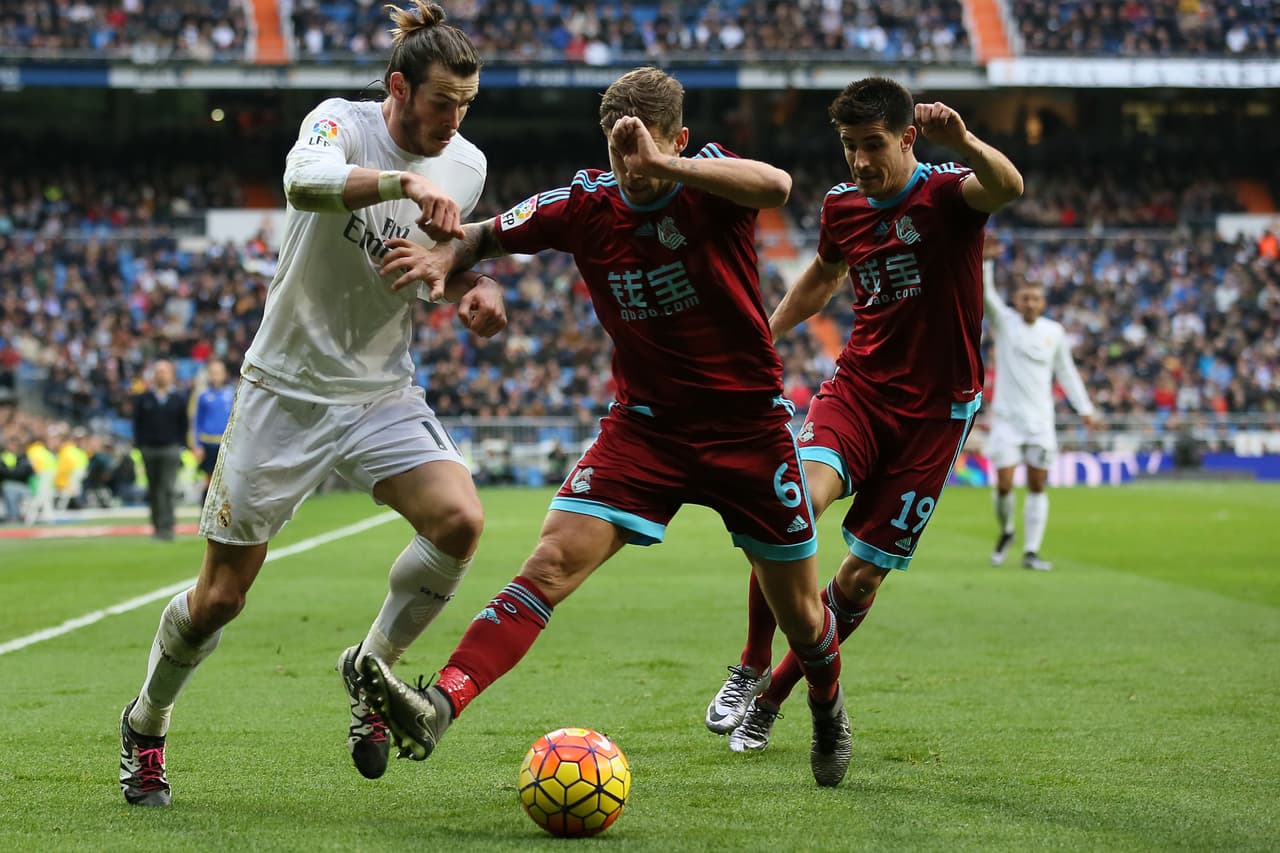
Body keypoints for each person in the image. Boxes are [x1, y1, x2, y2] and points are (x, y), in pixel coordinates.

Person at [356, 66, 851, 787]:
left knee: (803, 619)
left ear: (680, 139)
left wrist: (664, 165)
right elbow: (486, 234)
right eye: (620, 151)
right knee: (548, 564)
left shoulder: (711, 181)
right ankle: (440, 704)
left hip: (748, 431)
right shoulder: (585, 203)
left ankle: (827, 707)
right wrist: (447, 255)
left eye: (646, 148)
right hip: (646, 430)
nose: (632, 167)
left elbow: (775, 186)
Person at [118, 0, 507, 807]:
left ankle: (372, 672)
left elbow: (436, 259)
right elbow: (304, 183)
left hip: (380, 390)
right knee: (220, 598)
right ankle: (146, 722)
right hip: (285, 389)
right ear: (398, 88)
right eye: (443, 103)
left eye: (467, 105)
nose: (454, 121)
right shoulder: (340, 122)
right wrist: (401, 181)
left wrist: (472, 286)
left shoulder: (465, 164)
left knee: (460, 521)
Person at [705, 76, 1023, 755]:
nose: (859, 160)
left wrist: (964, 140)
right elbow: (824, 276)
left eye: (872, 144)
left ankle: (773, 698)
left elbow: (1007, 186)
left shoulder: (947, 194)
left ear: (908, 138)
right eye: (849, 145)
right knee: (787, 506)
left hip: (935, 417)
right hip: (860, 391)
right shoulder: (841, 204)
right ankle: (752, 660)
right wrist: (766, 335)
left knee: (859, 577)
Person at [983, 237, 1097, 570]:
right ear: (1017, 302)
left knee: (1037, 484)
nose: (1030, 303)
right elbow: (986, 296)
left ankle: (1031, 551)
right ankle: (1007, 530)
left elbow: (1066, 372)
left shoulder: (1054, 332)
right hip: (1006, 419)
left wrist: (1085, 409)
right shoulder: (1005, 323)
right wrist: (986, 262)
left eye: (1035, 298)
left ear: (1043, 303)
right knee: (1004, 484)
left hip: (1040, 421)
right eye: (1025, 298)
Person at [131, 359, 189, 540]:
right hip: (149, 449)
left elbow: (184, 424)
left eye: (164, 371)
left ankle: (168, 527)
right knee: (154, 489)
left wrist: (180, 445)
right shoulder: (144, 399)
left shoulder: (178, 399)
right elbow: (137, 424)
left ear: (171, 375)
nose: (161, 375)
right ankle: (156, 526)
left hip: (170, 449)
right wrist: (140, 446)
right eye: (158, 372)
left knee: (167, 488)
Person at [191, 358, 236, 505]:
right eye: (213, 372)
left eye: (218, 372)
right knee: (209, 481)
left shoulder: (232, 395)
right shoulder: (203, 396)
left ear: (224, 374)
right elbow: (197, 422)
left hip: (226, 444)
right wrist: (197, 445)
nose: (216, 375)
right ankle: (205, 511)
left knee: (227, 482)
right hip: (208, 444)